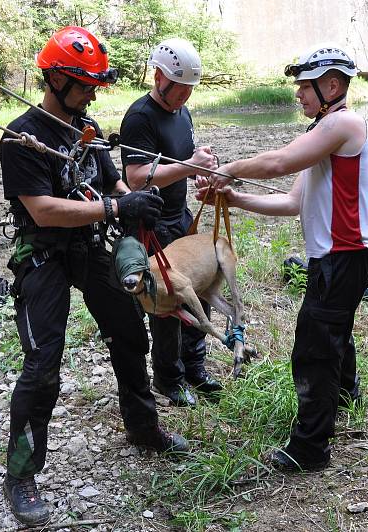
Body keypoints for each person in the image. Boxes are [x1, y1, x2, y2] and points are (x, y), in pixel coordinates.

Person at [0, 26, 189, 526]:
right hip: (43, 255)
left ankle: (143, 427)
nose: (91, 93)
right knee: (42, 365)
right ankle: (21, 474)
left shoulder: (89, 129)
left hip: (88, 248)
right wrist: (113, 205)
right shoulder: (21, 137)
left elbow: (113, 180)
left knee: (130, 331)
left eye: (93, 86)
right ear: (56, 79)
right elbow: (41, 211)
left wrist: (133, 202)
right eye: (83, 84)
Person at [198, 44, 368, 471]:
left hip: (345, 255)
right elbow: (294, 201)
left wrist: (229, 170)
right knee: (334, 328)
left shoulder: (344, 124)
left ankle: (310, 449)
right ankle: (345, 393)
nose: (298, 94)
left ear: (332, 85)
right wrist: (235, 198)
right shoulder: (324, 135)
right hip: (339, 257)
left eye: (305, 87)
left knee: (314, 348)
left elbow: (278, 162)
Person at [119, 38, 221, 407]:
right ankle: (168, 378)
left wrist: (198, 170)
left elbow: (180, 160)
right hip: (154, 224)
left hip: (180, 217)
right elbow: (136, 176)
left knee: (199, 286)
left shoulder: (182, 112)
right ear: (159, 77)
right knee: (166, 303)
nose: (185, 97)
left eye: (190, 90)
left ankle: (195, 367)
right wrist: (189, 166)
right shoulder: (140, 117)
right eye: (180, 89)